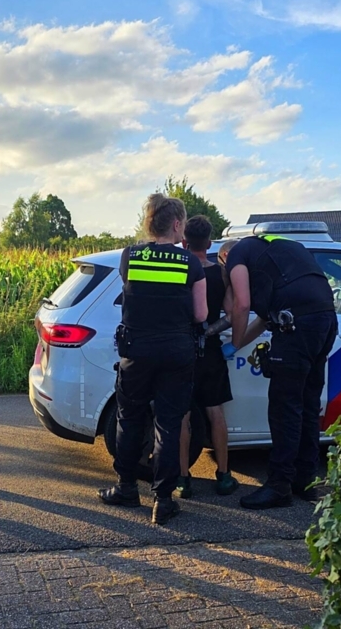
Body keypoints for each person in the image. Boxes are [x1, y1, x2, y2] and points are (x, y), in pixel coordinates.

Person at [98, 194, 208, 525]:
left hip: (137, 351)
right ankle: (162, 501)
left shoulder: (130, 257)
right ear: (176, 224)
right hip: (176, 352)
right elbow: (201, 314)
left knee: (130, 419)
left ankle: (127, 488)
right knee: (169, 425)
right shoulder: (191, 263)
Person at [218, 233, 337, 509]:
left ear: (225, 259)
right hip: (324, 322)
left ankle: (279, 486)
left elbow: (243, 304)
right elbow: (262, 319)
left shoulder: (235, 254)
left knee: (284, 408)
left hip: (297, 328)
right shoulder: (273, 250)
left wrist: (232, 342)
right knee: (307, 404)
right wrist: (237, 346)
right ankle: (305, 481)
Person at [176, 216, 238, 498]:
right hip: (211, 349)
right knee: (216, 413)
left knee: (183, 415)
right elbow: (232, 312)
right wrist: (213, 331)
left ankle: (183, 479)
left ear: (184, 242)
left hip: (183, 349)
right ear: (210, 243)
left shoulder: (179, 271)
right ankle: (224, 476)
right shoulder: (219, 274)